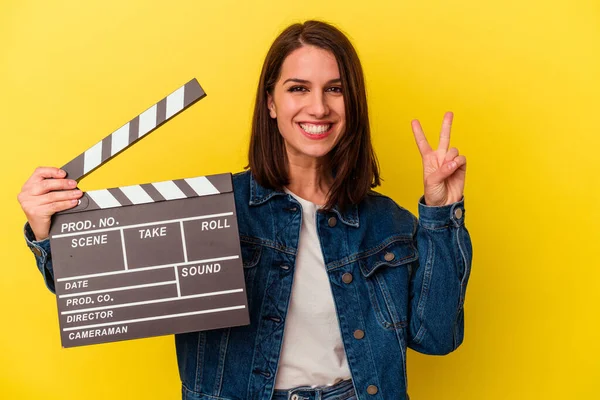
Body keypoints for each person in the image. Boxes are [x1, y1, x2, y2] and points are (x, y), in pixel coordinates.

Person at [18, 20, 472, 400]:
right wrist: (46, 229)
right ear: (271, 102)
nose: (319, 106)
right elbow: (101, 291)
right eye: (299, 88)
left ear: (352, 103)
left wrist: (440, 213)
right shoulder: (211, 212)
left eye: (334, 88)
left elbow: (437, 337)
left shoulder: (387, 223)